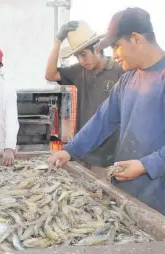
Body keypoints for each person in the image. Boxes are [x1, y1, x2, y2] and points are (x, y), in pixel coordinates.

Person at [47, 7, 165, 254]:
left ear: (137, 39)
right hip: (128, 194)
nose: (114, 54)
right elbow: (103, 120)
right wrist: (70, 151)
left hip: (163, 199)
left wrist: (145, 164)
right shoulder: (128, 79)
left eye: (117, 45)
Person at [45, 20, 124, 171]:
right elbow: (50, 74)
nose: (81, 60)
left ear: (97, 48)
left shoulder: (119, 71)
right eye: (77, 56)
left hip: (109, 156)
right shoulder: (79, 71)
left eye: (83, 54)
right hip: (82, 151)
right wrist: (57, 42)